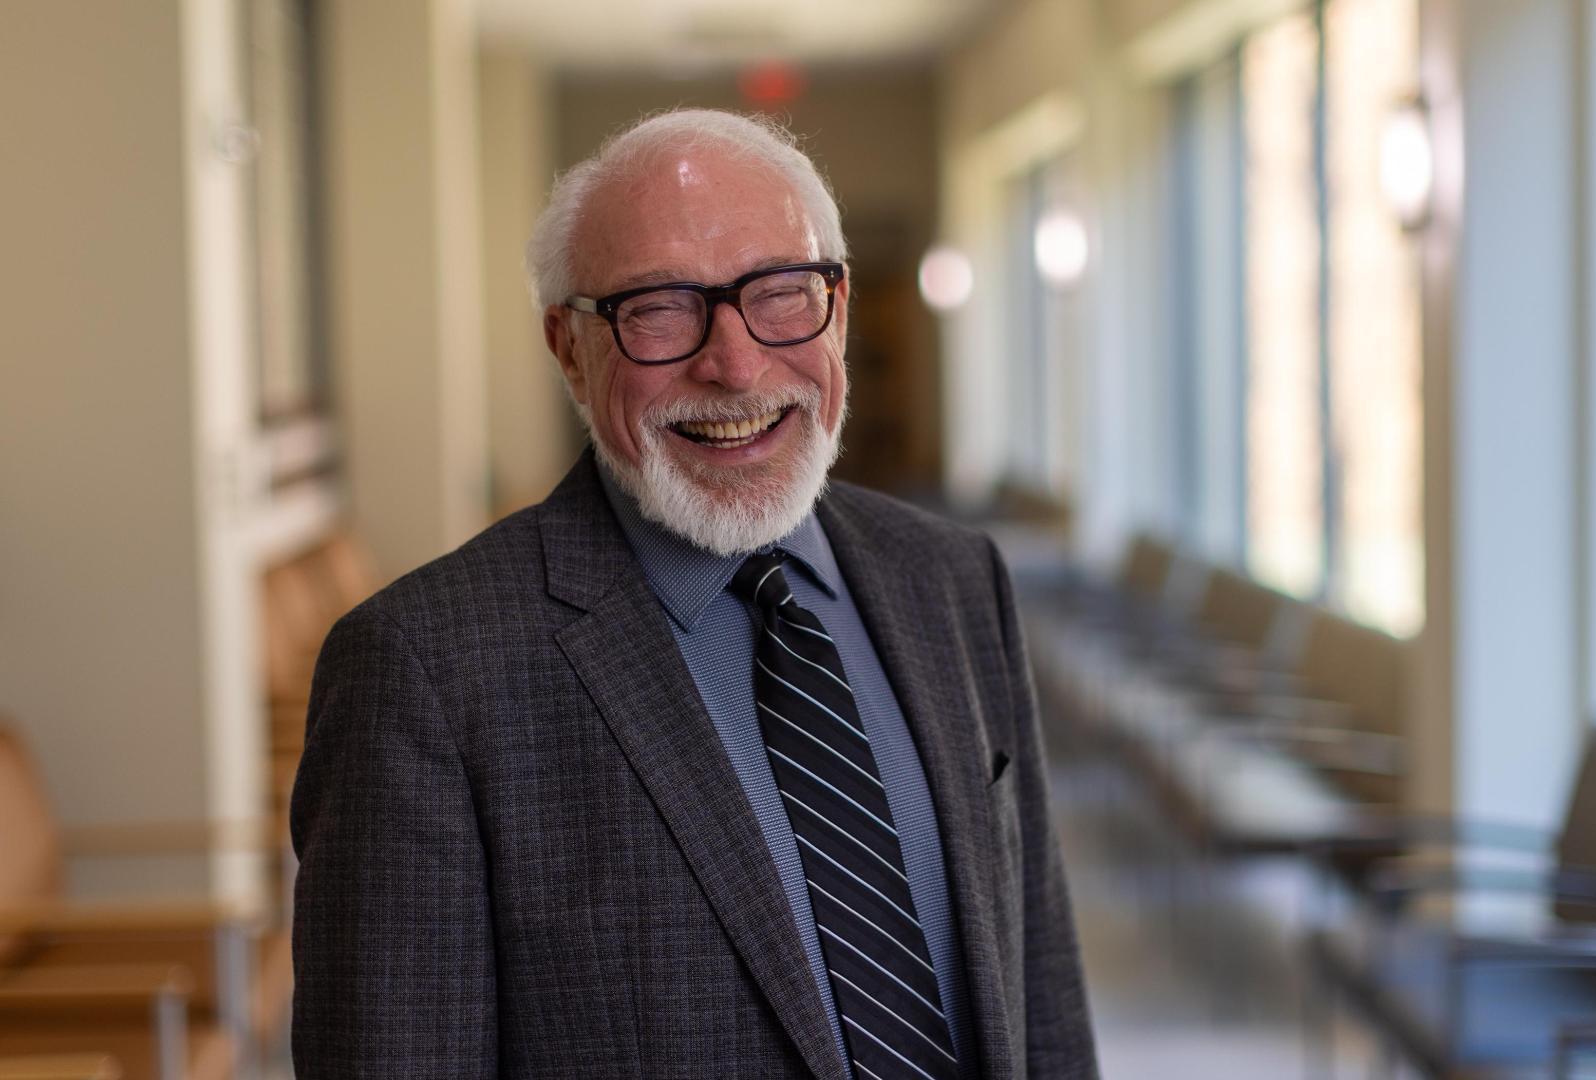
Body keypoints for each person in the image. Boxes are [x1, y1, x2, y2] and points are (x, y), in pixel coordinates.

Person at [289, 108, 1097, 1079]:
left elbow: (1041, 1003)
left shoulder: (957, 582)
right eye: (660, 309)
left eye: (783, 293)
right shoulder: (424, 675)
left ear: (836, 310)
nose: (736, 365)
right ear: (567, 348)